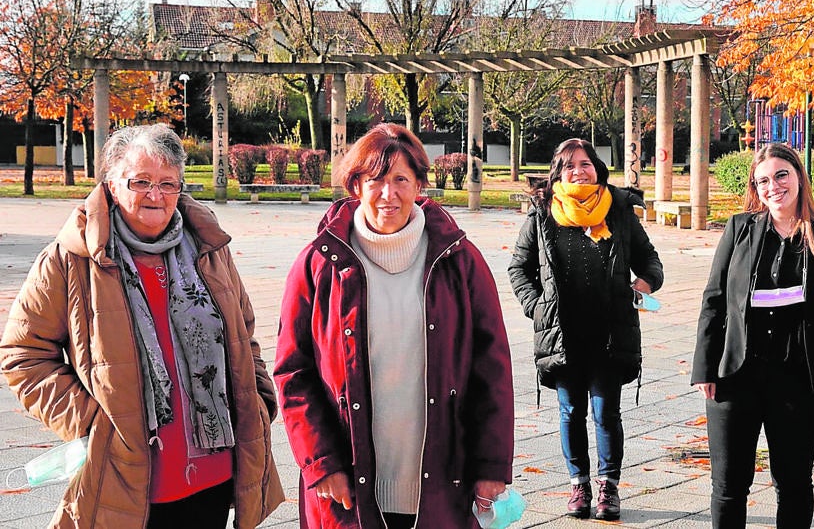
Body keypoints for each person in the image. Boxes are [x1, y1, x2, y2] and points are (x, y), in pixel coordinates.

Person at [0, 124, 283, 528]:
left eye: (169, 184)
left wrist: (258, 400)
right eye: (142, 181)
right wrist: (92, 423)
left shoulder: (208, 250)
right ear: (112, 185)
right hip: (128, 477)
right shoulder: (71, 259)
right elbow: (22, 356)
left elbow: (244, 334)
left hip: (216, 475)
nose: (156, 195)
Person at [275, 123, 513, 529]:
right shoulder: (318, 264)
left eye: (401, 179)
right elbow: (293, 371)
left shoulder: (459, 260)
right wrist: (321, 462)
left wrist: (491, 464)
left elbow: (491, 368)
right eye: (376, 181)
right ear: (355, 186)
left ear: (420, 183)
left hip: (442, 480)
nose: (389, 194)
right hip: (345, 483)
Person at [691, 143, 814, 529]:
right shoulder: (739, 229)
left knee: (794, 483)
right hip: (735, 376)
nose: (773, 186)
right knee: (729, 485)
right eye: (763, 180)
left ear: (798, 176)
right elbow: (714, 301)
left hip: (799, 380)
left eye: (781, 175)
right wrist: (704, 368)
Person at [508, 138, 664, 521]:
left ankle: (608, 487)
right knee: (570, 411)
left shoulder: (620, 208)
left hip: (609, 331)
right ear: (558, 173)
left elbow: (650, 261)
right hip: (563, 333)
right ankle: (578, 484)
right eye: (569, 166)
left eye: (585, 163)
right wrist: (537, 307)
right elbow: (519, 269)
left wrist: (644, 284)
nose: (579, 171)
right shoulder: (542, 212)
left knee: (606, 412)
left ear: (597, 167)